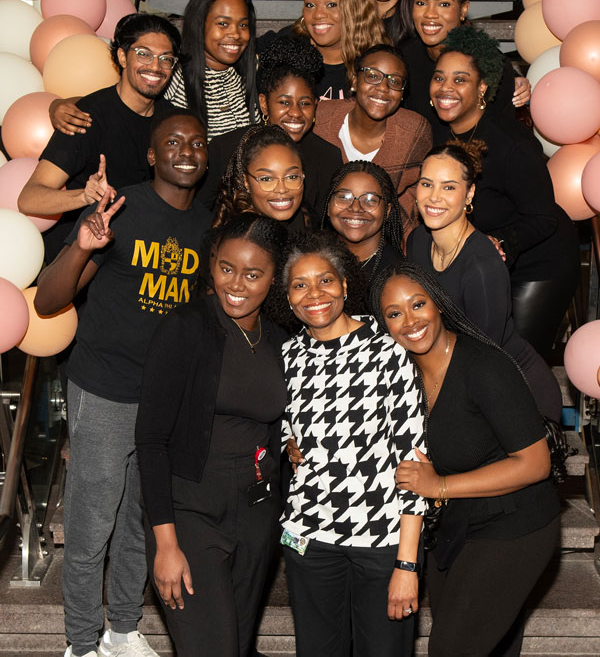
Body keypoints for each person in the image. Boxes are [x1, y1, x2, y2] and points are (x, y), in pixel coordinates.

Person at [34, 110, 212, 657]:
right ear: (153, 156)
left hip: (165, 399)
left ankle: (123, 631)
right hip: (106, 387)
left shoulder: (208, 226)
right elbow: (47, 300)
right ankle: (81, 643)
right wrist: (83, 243)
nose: (186, 150)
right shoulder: (120, 208)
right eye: (172, 142)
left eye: (197, 142)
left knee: (142, 521)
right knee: (92, 524)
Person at [370, 261, 560, 656]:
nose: (409, 321)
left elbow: (535, 463)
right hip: (458, 525)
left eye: (418, 304)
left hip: (515, 524)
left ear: (438, 304)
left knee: (451, 648)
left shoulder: (484, 366)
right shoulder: (400, 376)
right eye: (394, 313)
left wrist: (438, 485)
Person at [135, 213, 288, 657]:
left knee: (237, 648)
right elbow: (150, 440)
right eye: (226, 268)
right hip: (190, 512)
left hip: (257, 514)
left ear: (275, 278)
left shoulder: (279, 338)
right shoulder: (186, 328)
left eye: (253, 274)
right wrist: (166, 543)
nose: (235, 284)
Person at [278, 232, 427, 657]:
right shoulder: (286, 357)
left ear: (345, 284)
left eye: (325, 280)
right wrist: (288, 439)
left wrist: (407, 563)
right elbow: (284, 426)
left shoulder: (388, 350)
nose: (314, 294)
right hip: (308, 536)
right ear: (287, 298)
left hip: (381, 541)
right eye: (300, 285)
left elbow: (413, 458)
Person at [428, 25, 580, 356]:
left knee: (512, 363)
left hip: (538, 264)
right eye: (439, 78)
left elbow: (543, 218)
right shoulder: (439, 132)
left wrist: (501, 242)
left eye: (459, 80)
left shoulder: (511, 144)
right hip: (485, 262)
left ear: (482, 88)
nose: (446, 88)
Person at [407, 140, 563, 424]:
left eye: (449, 187)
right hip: (459, 377)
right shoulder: (418, 241)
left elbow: (485, 359)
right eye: (426, 184)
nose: (434, 197)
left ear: (470, 194)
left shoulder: (482, 264)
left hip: (517, 393)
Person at [18, 13, 181, 261]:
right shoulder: (88, 116)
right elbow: (29, 198)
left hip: (138, 259)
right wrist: (85, 195)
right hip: (80, 257)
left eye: (166, 59)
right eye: (143, 54)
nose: (155, 67)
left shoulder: (173, 122)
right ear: (122, 57)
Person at [201, 35, 343, 224]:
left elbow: (328, 227)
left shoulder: (327, 157)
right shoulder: (226, 148)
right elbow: (201, 216)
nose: (295, 112)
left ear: (316, 105)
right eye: (284, 102)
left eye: (305, 103)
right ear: (264, 104)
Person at [399, 0, 530, 138]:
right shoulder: (403, 58)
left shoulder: (489, 65)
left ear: (463, 9)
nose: (430, 14)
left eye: (444, 4)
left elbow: (500, 140)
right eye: (421, 3)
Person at [313, 43, 431, 235]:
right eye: (373, 76)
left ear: (402, 93)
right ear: (354, 80)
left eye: (395, 81)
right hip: (322, 239)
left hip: (387, 242)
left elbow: (419, 194)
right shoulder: (320, 119)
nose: (383, 88)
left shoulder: (414, 132)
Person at [260, 0, 387, 101]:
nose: (318, 14)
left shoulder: (377, 61)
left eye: (331, 4)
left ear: (356, 8)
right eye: (310, 4)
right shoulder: (286, 47)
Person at [164, 0, 259, 140]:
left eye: (243, 25)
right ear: (199, 24)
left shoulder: (255, 71)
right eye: (223, 23)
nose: (235, 34)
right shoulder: (173, 80)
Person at [213, 124, 307, 233]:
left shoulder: (303, 224)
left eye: (292, 177)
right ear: (246, 181)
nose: (282, 189)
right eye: (267, 179)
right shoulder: (242, 242)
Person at [322, 160, 405, 282]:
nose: (355, 207)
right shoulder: (311, 259)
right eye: (344, 197)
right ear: (328, 206)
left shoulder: (397, 276)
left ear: (387, 211)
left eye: (370, 200)